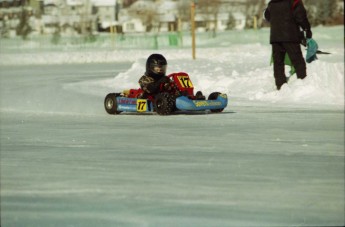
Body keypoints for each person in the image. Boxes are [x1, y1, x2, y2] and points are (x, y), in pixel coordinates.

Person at [264, 0, 312, 90]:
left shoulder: (272, 3)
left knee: (278, 62)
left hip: (275, 37)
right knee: (298, 61)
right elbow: (301, 17)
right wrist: (307, 29)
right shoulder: (294, 1)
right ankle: (303, 83)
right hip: (291, 36)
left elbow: (267, 16)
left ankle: (280, 86)